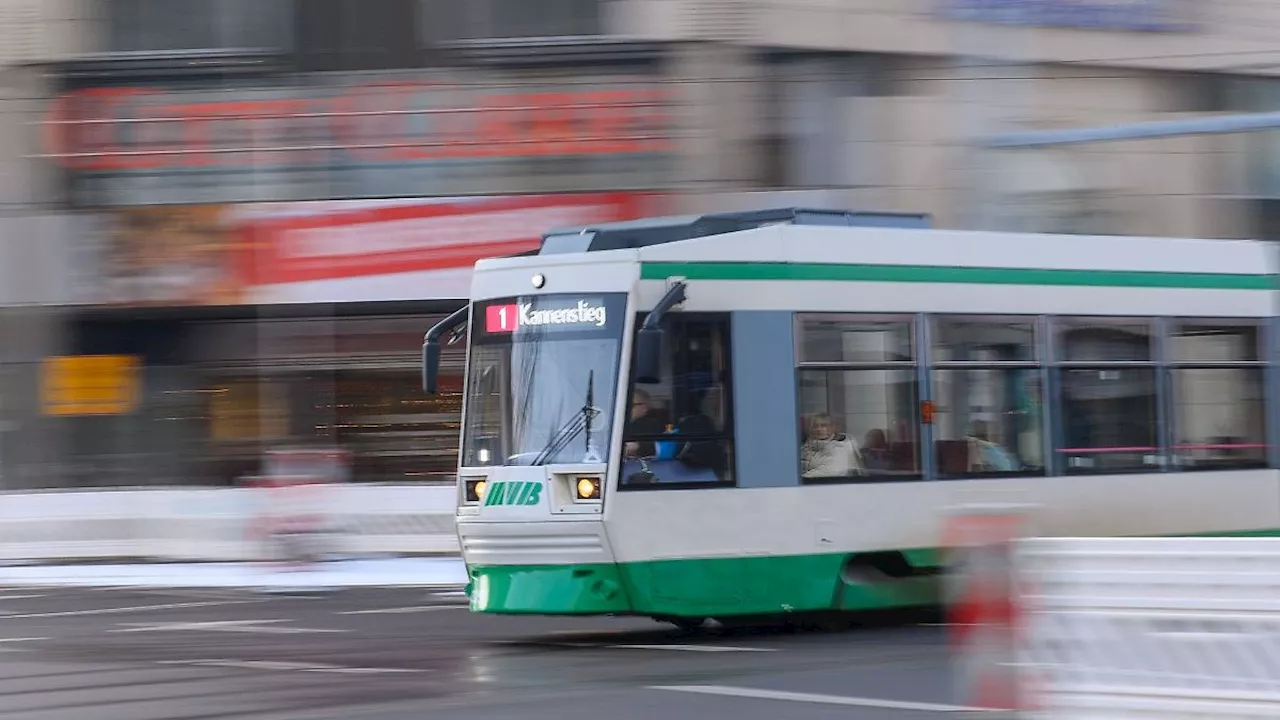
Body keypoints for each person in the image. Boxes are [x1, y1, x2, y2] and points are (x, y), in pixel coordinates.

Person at [801, 413, 864, 477]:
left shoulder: (840, 447)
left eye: (823, 426)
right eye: (815, 426)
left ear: (832, 428)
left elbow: (829, 471)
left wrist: (800, 478)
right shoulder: (807, 446)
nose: (819, 429)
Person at [624, 388, 666, 459]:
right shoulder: (615, 423)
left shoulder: (653, 426)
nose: (625, 408)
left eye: (631, 405)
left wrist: (638, 446)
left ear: (644, 408)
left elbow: (661, 447)